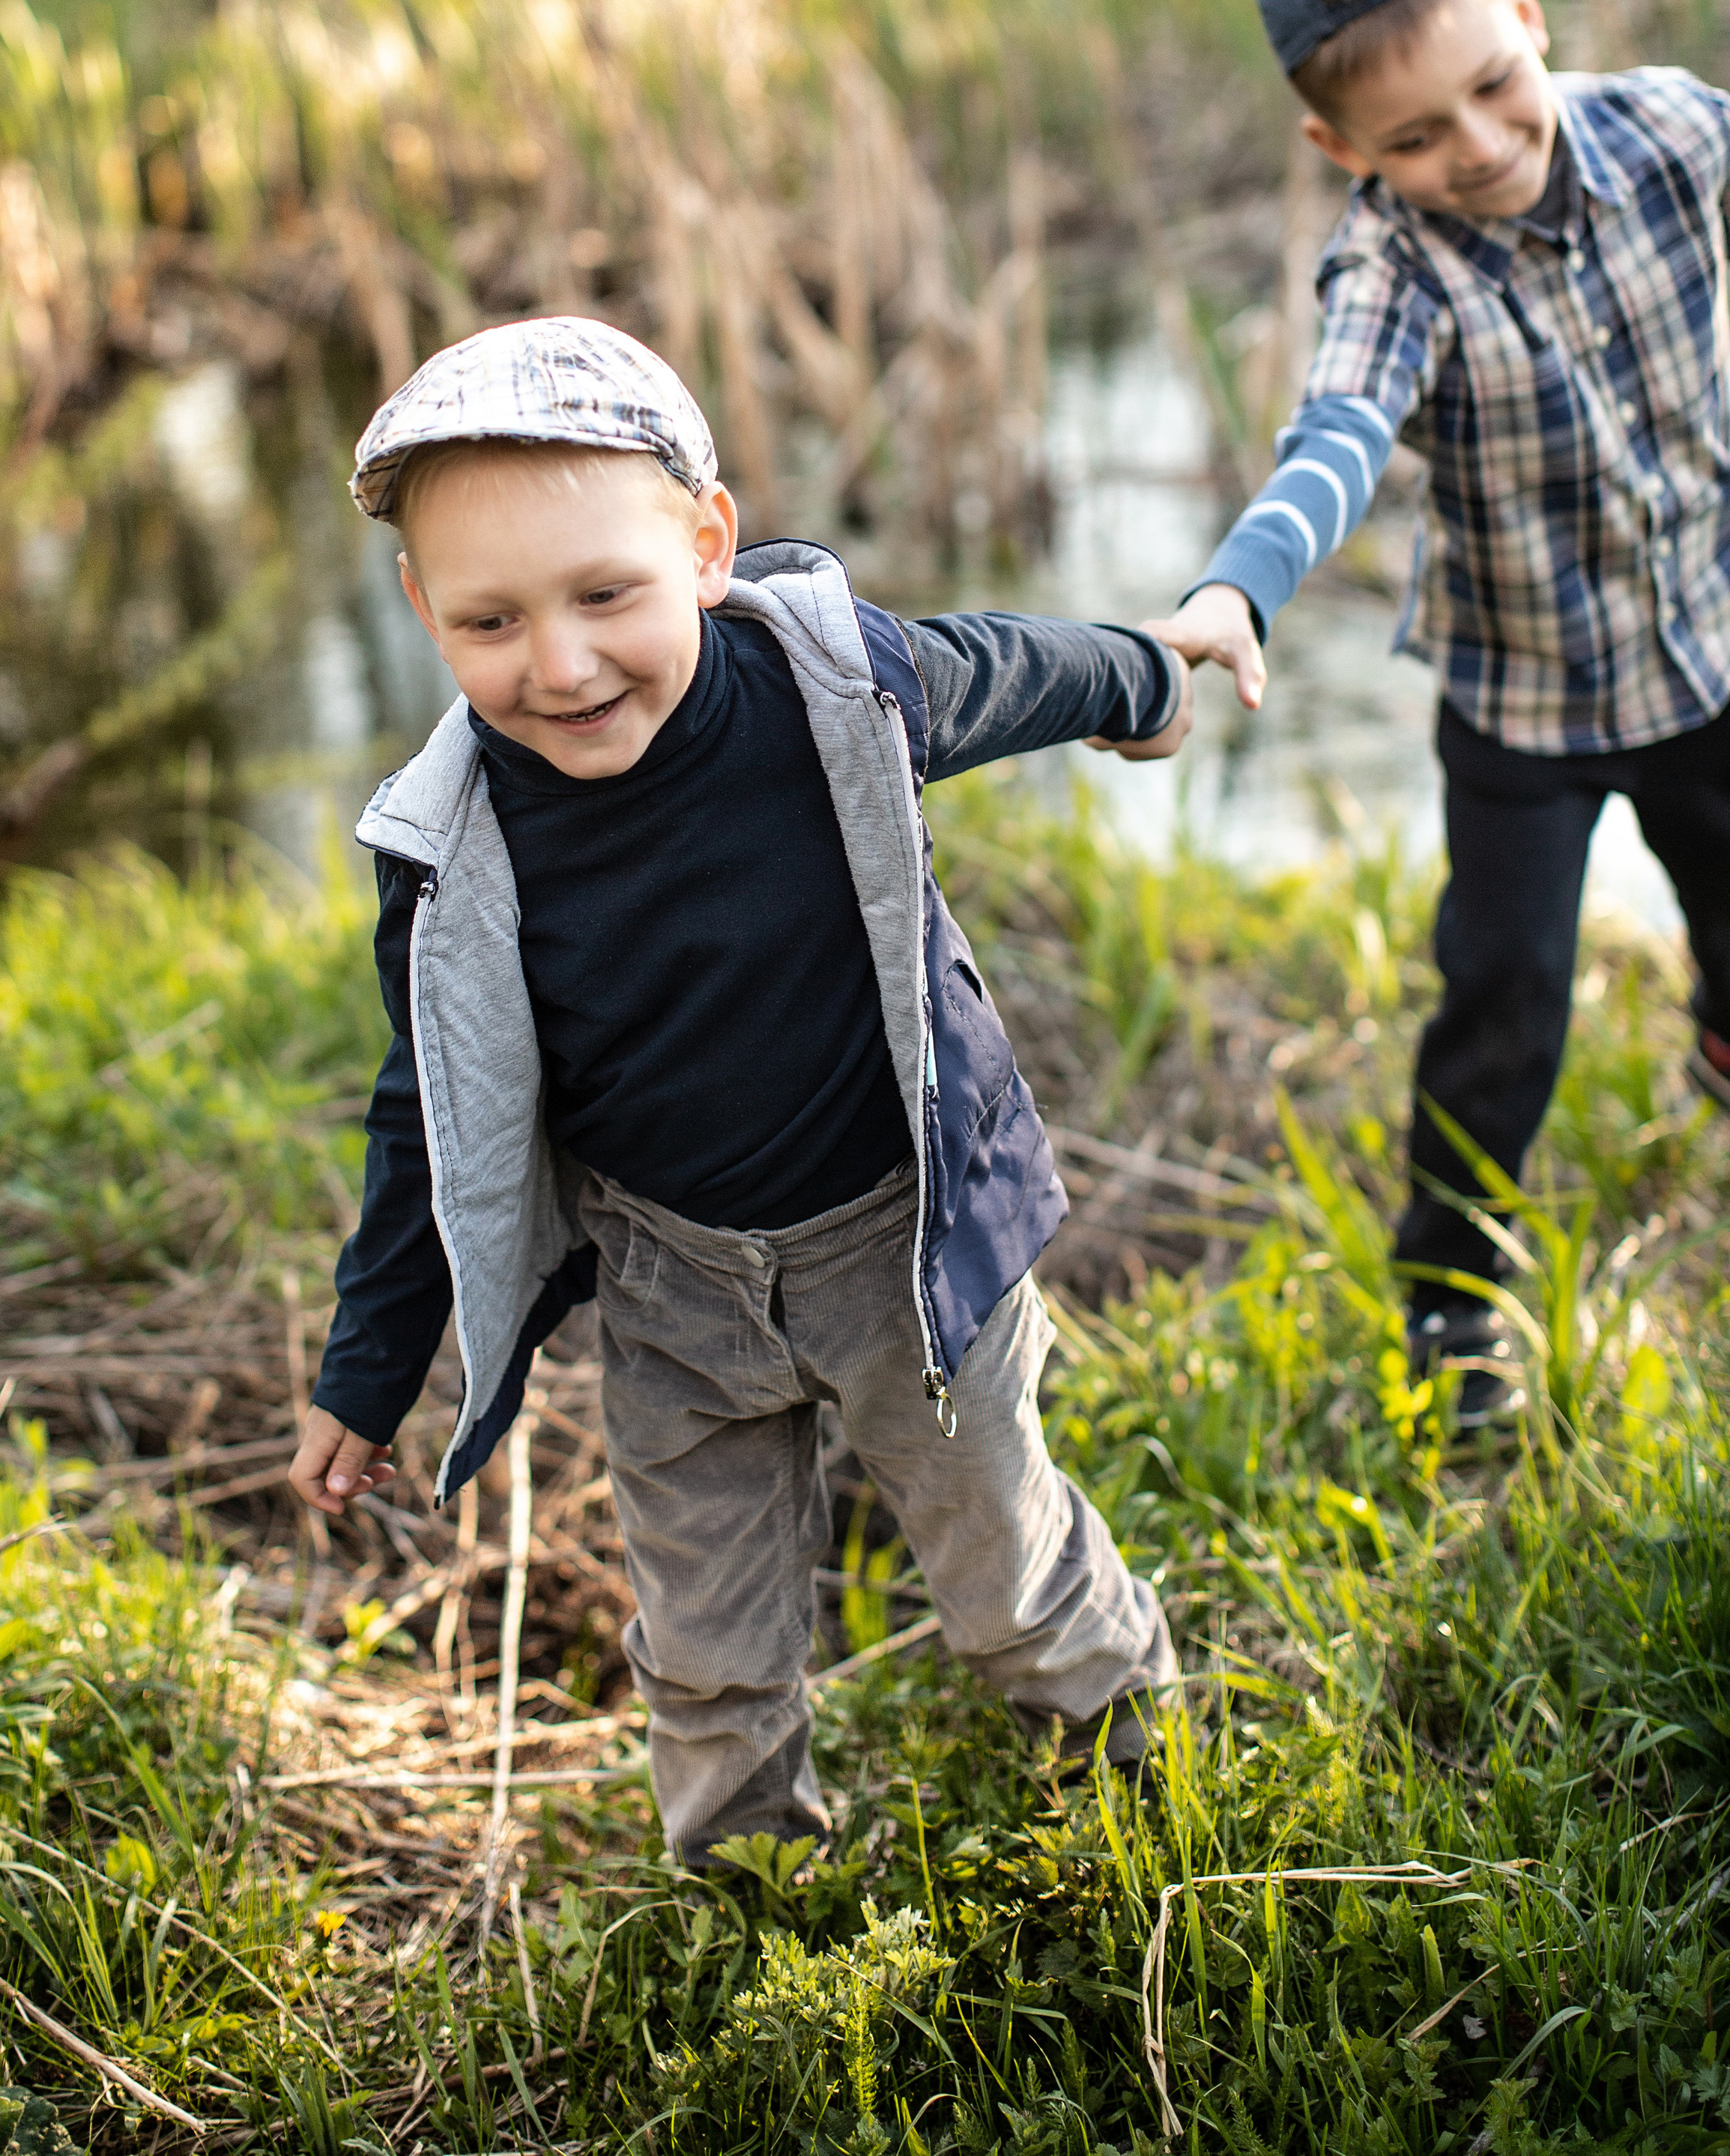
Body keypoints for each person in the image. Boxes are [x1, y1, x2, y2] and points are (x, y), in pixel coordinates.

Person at [287, 314, 1189, 1865]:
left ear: (706, 544)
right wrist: (368, 1371)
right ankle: (759, 1893)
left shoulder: (834, 689)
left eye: (605, 596)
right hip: (671, 1288)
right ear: (419, 604)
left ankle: (1145, 1782)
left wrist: (1147, 682)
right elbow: (426, 1111)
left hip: (902, 1254)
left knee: (1002, 1586)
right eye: (489, 622)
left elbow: (1017, 666)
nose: (558, 665)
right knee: (706, 1647)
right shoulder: (448, 844)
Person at [1149, 0, 1730, 1426]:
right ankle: (1449, 1300)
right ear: (1338, 153)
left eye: (1491, 86)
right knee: (1503, 1001)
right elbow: (1330, 441)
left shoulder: (1672, 129)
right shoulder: (1388, 273)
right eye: (1412, 139)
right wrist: (1236, 589)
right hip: (1523, 712)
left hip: (1708, 657)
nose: (1474, 146)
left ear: (1527, 18)